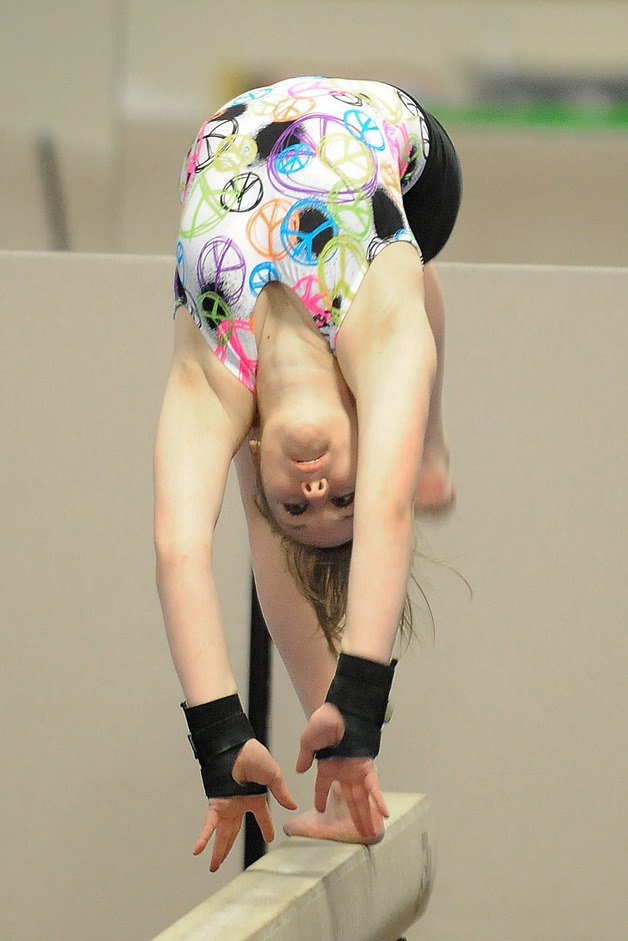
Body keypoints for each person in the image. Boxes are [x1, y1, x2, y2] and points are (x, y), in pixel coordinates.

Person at [154, 75, 462, 873]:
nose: (317, 490)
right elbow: (388, 511)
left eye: (299, 503)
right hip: (407, 152)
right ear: (367, 428)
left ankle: (331, 766)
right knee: (413, 294)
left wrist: (220, 736)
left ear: (258, 472)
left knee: (276, 500)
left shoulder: (217, 376)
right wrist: (352, 716)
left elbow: (180, 548)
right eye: (342, 497)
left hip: (245, 120)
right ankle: (427, 439)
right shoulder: (379, 345)